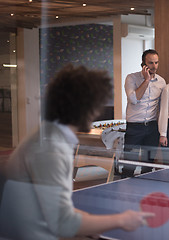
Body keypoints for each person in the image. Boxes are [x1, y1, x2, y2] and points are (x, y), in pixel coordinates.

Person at [0, 64, 154, 240]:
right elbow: (63, 223)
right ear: (83, 107)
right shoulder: (52, 149)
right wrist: (121, 220)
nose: (98, 111)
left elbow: (53, 205)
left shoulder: (48, 135)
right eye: (96, 104)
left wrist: (90, 222)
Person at [123, 49, 166, 176]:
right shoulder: (131, 78)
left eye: (156, 63)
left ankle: (145, 191)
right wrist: (146, 80)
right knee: (129, 165)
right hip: (134, 127)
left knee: (148, 165)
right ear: (143, 64)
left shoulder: (161, 82)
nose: (154, 66)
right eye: (151, 63)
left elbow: (163, 105)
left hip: (152, 127)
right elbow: (133, 99)